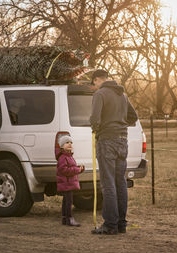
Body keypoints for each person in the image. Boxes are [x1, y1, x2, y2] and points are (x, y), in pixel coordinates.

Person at [89, 69, 138, 235]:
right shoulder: (122, 94)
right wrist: (121, 124)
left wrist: (98, 129)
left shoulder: (100, 94)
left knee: (108, 183)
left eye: (93, 83)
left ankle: (110, 225)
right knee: (120, 182)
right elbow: (134, 116)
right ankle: (121, 224)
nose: (94, 86)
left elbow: (94, 119)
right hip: (122, 140)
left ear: (96, 80)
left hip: (107, 141)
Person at [56, 135, 85, 227]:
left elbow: (71, 168)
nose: (69, 144)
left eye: (71, 142)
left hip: (68, 183)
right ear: (61, 146)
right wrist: (77, 170)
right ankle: (69, 218)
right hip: (66, 183)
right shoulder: (62, 157)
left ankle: (65, 218)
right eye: (67, 142)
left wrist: (79, 168)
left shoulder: (69, 156)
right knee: (68, 201)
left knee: (66, 200)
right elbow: (64, 170)